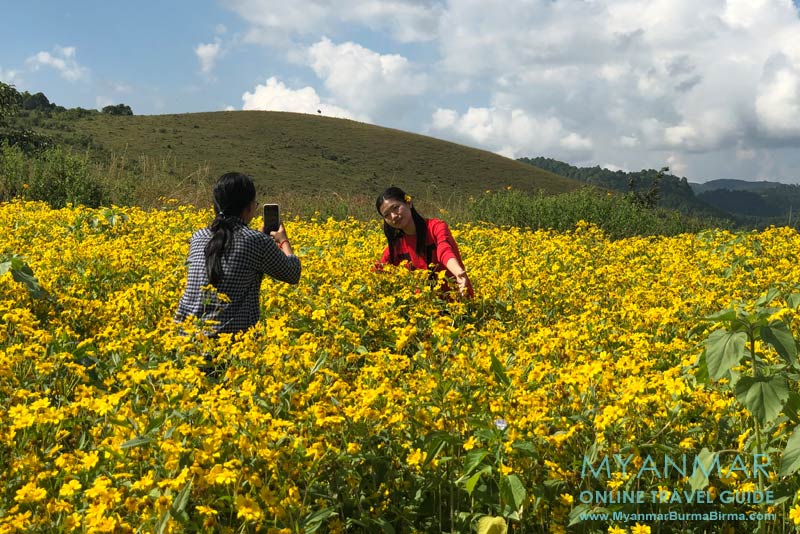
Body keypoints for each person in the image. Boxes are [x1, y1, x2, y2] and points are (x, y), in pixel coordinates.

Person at [175, 172, 301, 336]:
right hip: (228, 343)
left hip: (184, 338)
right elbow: (293, 273)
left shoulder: (198, 237)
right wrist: (283, 241)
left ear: (215, 206)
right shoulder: (257, 242)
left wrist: (260, 239)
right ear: (249, 207)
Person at [375, 186, 474, 298]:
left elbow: (444, 250)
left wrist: (458, 272)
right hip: (424, 305)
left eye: (395, 207)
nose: (393, 216)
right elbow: (378, 270)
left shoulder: (436, 227)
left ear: (409, 203)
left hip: (458, 300)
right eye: (386, 215)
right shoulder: (396, 245)